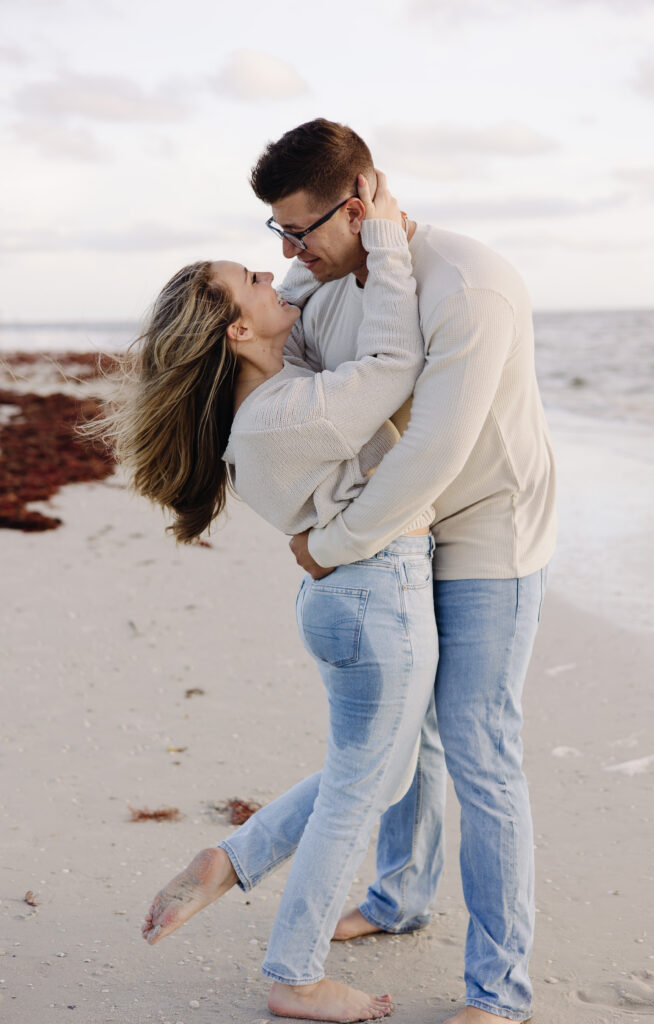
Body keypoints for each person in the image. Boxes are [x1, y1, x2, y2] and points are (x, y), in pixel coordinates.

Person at [99, 174, 441, 1022]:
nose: (274, 269)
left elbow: (285, 294)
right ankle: (293, 974)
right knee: (361, 791)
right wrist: (387, 236)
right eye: (250, 279)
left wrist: (311, 243)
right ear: (236, 329)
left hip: (353, 599)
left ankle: (231, 858)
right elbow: (395, 364)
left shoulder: (260, 400)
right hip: (376, 597)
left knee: (377, 771)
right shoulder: (292, 412)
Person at [244, 118, 557, 1024]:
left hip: (487, 522)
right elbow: (297, 384)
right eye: (279, 234)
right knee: (403, 723)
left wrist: (327, 545)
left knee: (476, 742)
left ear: (362, 198)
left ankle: (498, 994)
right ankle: (397, 895)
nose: (290, 253)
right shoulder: (326, 279)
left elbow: (432, 451)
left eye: (302, 229)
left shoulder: (472, 284)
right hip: (398, 528)